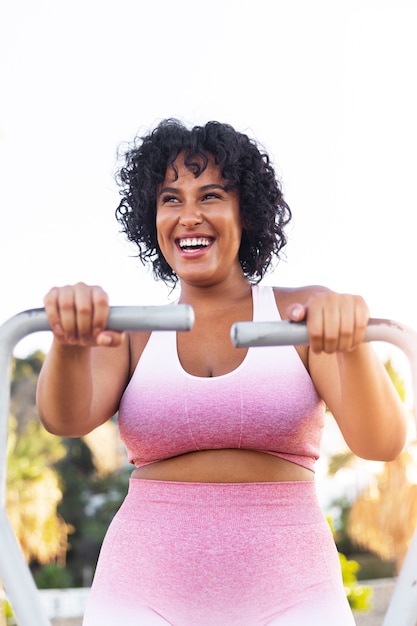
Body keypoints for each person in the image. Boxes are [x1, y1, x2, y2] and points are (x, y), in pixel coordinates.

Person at [36, 119, 407, 626]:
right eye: (171, 199)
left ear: (245, 213)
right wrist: (69, 342)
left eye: (210, 196)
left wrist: (353, 342)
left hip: (293, 592)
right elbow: (66, 419)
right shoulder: (129, 332)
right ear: (153, 218)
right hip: (140, 592)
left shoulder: (306, 315)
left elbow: (380, 444)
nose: (189, 216)